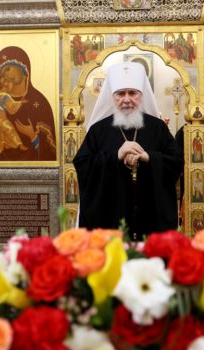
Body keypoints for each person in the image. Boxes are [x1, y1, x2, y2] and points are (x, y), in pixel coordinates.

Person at [73, 61, 183, 238]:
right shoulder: (98, 130)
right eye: (120, 94)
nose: (126, 100)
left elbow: (177, 161)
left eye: (132, 93)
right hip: (109, 223)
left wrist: (148, 157)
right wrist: (116, 156)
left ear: (141, 95)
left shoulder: (157, 128)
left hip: (152, 222)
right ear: (112, 96)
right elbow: (83, 165)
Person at [0, 46, 56, 161]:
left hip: (33, 167)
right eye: (1, 73)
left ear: (24, 69)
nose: (4, 74)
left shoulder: (40, 102)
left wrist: (32, 135)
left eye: (8, 68)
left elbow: (51, 151)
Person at [0, 68, 29, 155]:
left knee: (4, 129)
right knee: (8, 127)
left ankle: (6, 145)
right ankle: (19, 145)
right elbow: (12, 109)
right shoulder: (4, 95)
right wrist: (21, 102)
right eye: (5, 81)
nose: (8, 83)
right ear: (3, 86)